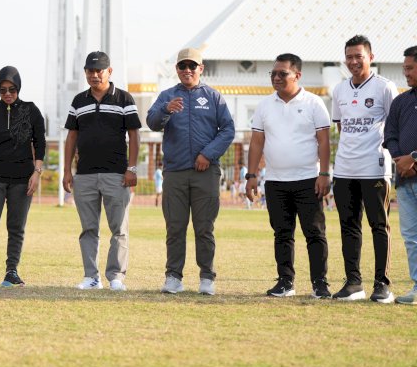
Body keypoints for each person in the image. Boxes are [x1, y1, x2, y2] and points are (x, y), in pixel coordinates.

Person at [147, 48, 235, 295]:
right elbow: (151, 122)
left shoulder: (213, 97)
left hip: (205, 172)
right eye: (182, 66)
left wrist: (208, 154)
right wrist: (165, 110)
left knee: (204, 227)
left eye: (192, 66)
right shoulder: (167, 96)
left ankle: (207, 277)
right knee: (175, 226)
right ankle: (173, 277)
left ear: (201, 68)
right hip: (175, 172)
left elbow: (228, 130)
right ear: (176, 69)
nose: (187, 70)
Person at [245, 54, 332, 298]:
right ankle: (285, 282)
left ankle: (320, 283)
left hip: (307, 179)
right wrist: (251, 175)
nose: (276, 77)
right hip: (275, 181)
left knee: (314, 233)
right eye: (273, 73)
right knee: (282, 234)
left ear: (297, 75)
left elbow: (324, 141)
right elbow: (256, 143)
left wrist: (324, 173)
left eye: (282, 73)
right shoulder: (264, 105)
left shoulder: (314, 103)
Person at [63, 51, 140, 291]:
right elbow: (72, 136)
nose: (94, 75)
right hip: (84, 174)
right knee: (88, 229)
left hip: (116, 174)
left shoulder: (125, 99)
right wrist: (67, 170)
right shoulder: (78, 101)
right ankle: (91, 277)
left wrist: (132, 168)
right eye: (90, 71)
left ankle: (116, 277)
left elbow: (134, 135)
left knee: (119, 229)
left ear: (110, 71)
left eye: (99, 70)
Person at [331, 34, 399, 303]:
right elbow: (341, 126)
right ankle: (353, 283)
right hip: (345, 169)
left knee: (379, 226)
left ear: (371, 57)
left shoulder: (385, 87)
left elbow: (394, 126)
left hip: (375, 168)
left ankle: (382, 284)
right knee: (349, 227)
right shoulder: (340, 89)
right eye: (349, 56)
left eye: (359, 56)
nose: (354, 61)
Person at [0, 66, 45, 286]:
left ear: (18, 88)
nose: (7, 94)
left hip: (23, 179)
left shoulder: (31, 111)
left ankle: (11, 271)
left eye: (12, 89)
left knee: (16, 227)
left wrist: (37, 172)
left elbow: (40, 144)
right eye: (3, 89)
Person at [383, 45, 417, 305]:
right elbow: (390, 136)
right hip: (405, 181)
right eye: (404, 68)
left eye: (410, 68)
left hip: (410, 169)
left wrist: (413, 158)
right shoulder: (401, 102)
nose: (405, 73)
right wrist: (400, 159)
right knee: (411, 238)